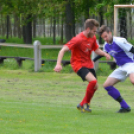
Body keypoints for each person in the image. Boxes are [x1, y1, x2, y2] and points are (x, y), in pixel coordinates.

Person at [54, 19, 111, 113]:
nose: (95, 33)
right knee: (93, 81)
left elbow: (96, 50)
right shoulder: (78, 39)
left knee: (95, 86)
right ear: (88, 29)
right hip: (78, 64)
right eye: (94, 31)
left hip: (88, 64)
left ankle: (82, 104)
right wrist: (58, 64)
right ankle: (86, 105)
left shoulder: (93, 38)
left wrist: (105, 54)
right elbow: (62, 50)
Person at [95, 25, 134, 113]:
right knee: (107, 85)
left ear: (110, 33)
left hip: (131, 63)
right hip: (122, 67)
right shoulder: (106, 45)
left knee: (133, 80)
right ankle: (125, 107)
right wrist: (92, 61)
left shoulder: (119, 41)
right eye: (103, 37)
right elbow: (103, 54)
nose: (105, 39)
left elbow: (132, 49)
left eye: (106, 36)